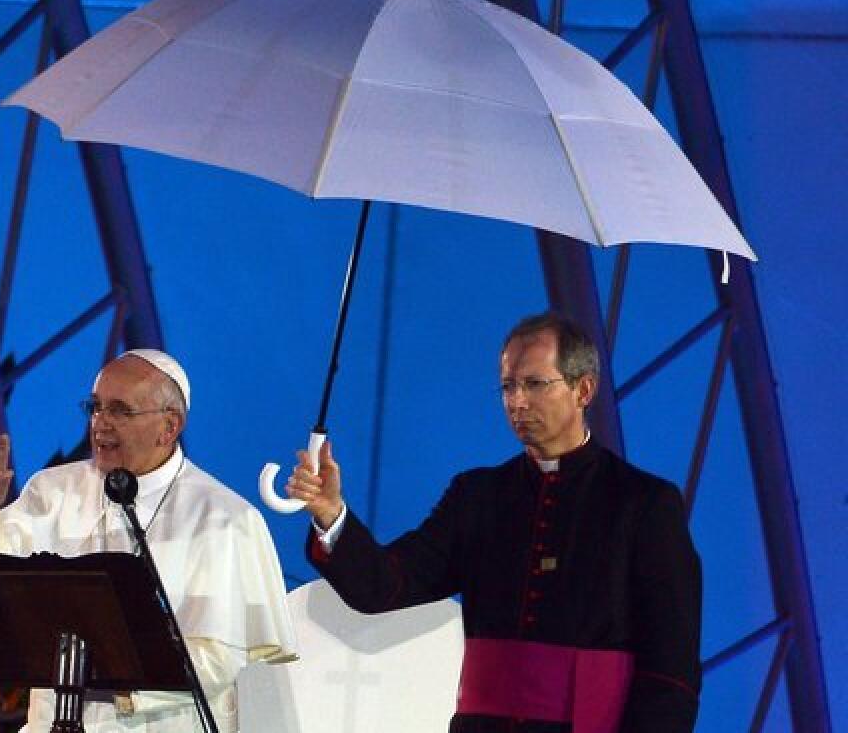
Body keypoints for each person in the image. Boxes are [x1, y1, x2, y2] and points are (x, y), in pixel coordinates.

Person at [286, 312, 702, 733]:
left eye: (535, 384)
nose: (518, 402)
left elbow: (671, 676)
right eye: (508, 386)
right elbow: (384, 585)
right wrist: (330, 514)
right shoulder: (477, 496)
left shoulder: (645, 504)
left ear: (583, 390)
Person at [0, 349, 296, 733]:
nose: (100, 424)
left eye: (120, 410)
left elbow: (221, 657)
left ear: (170, 426)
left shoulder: (224, 519)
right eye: (95, 407)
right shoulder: (51, 492)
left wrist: (117, 677)